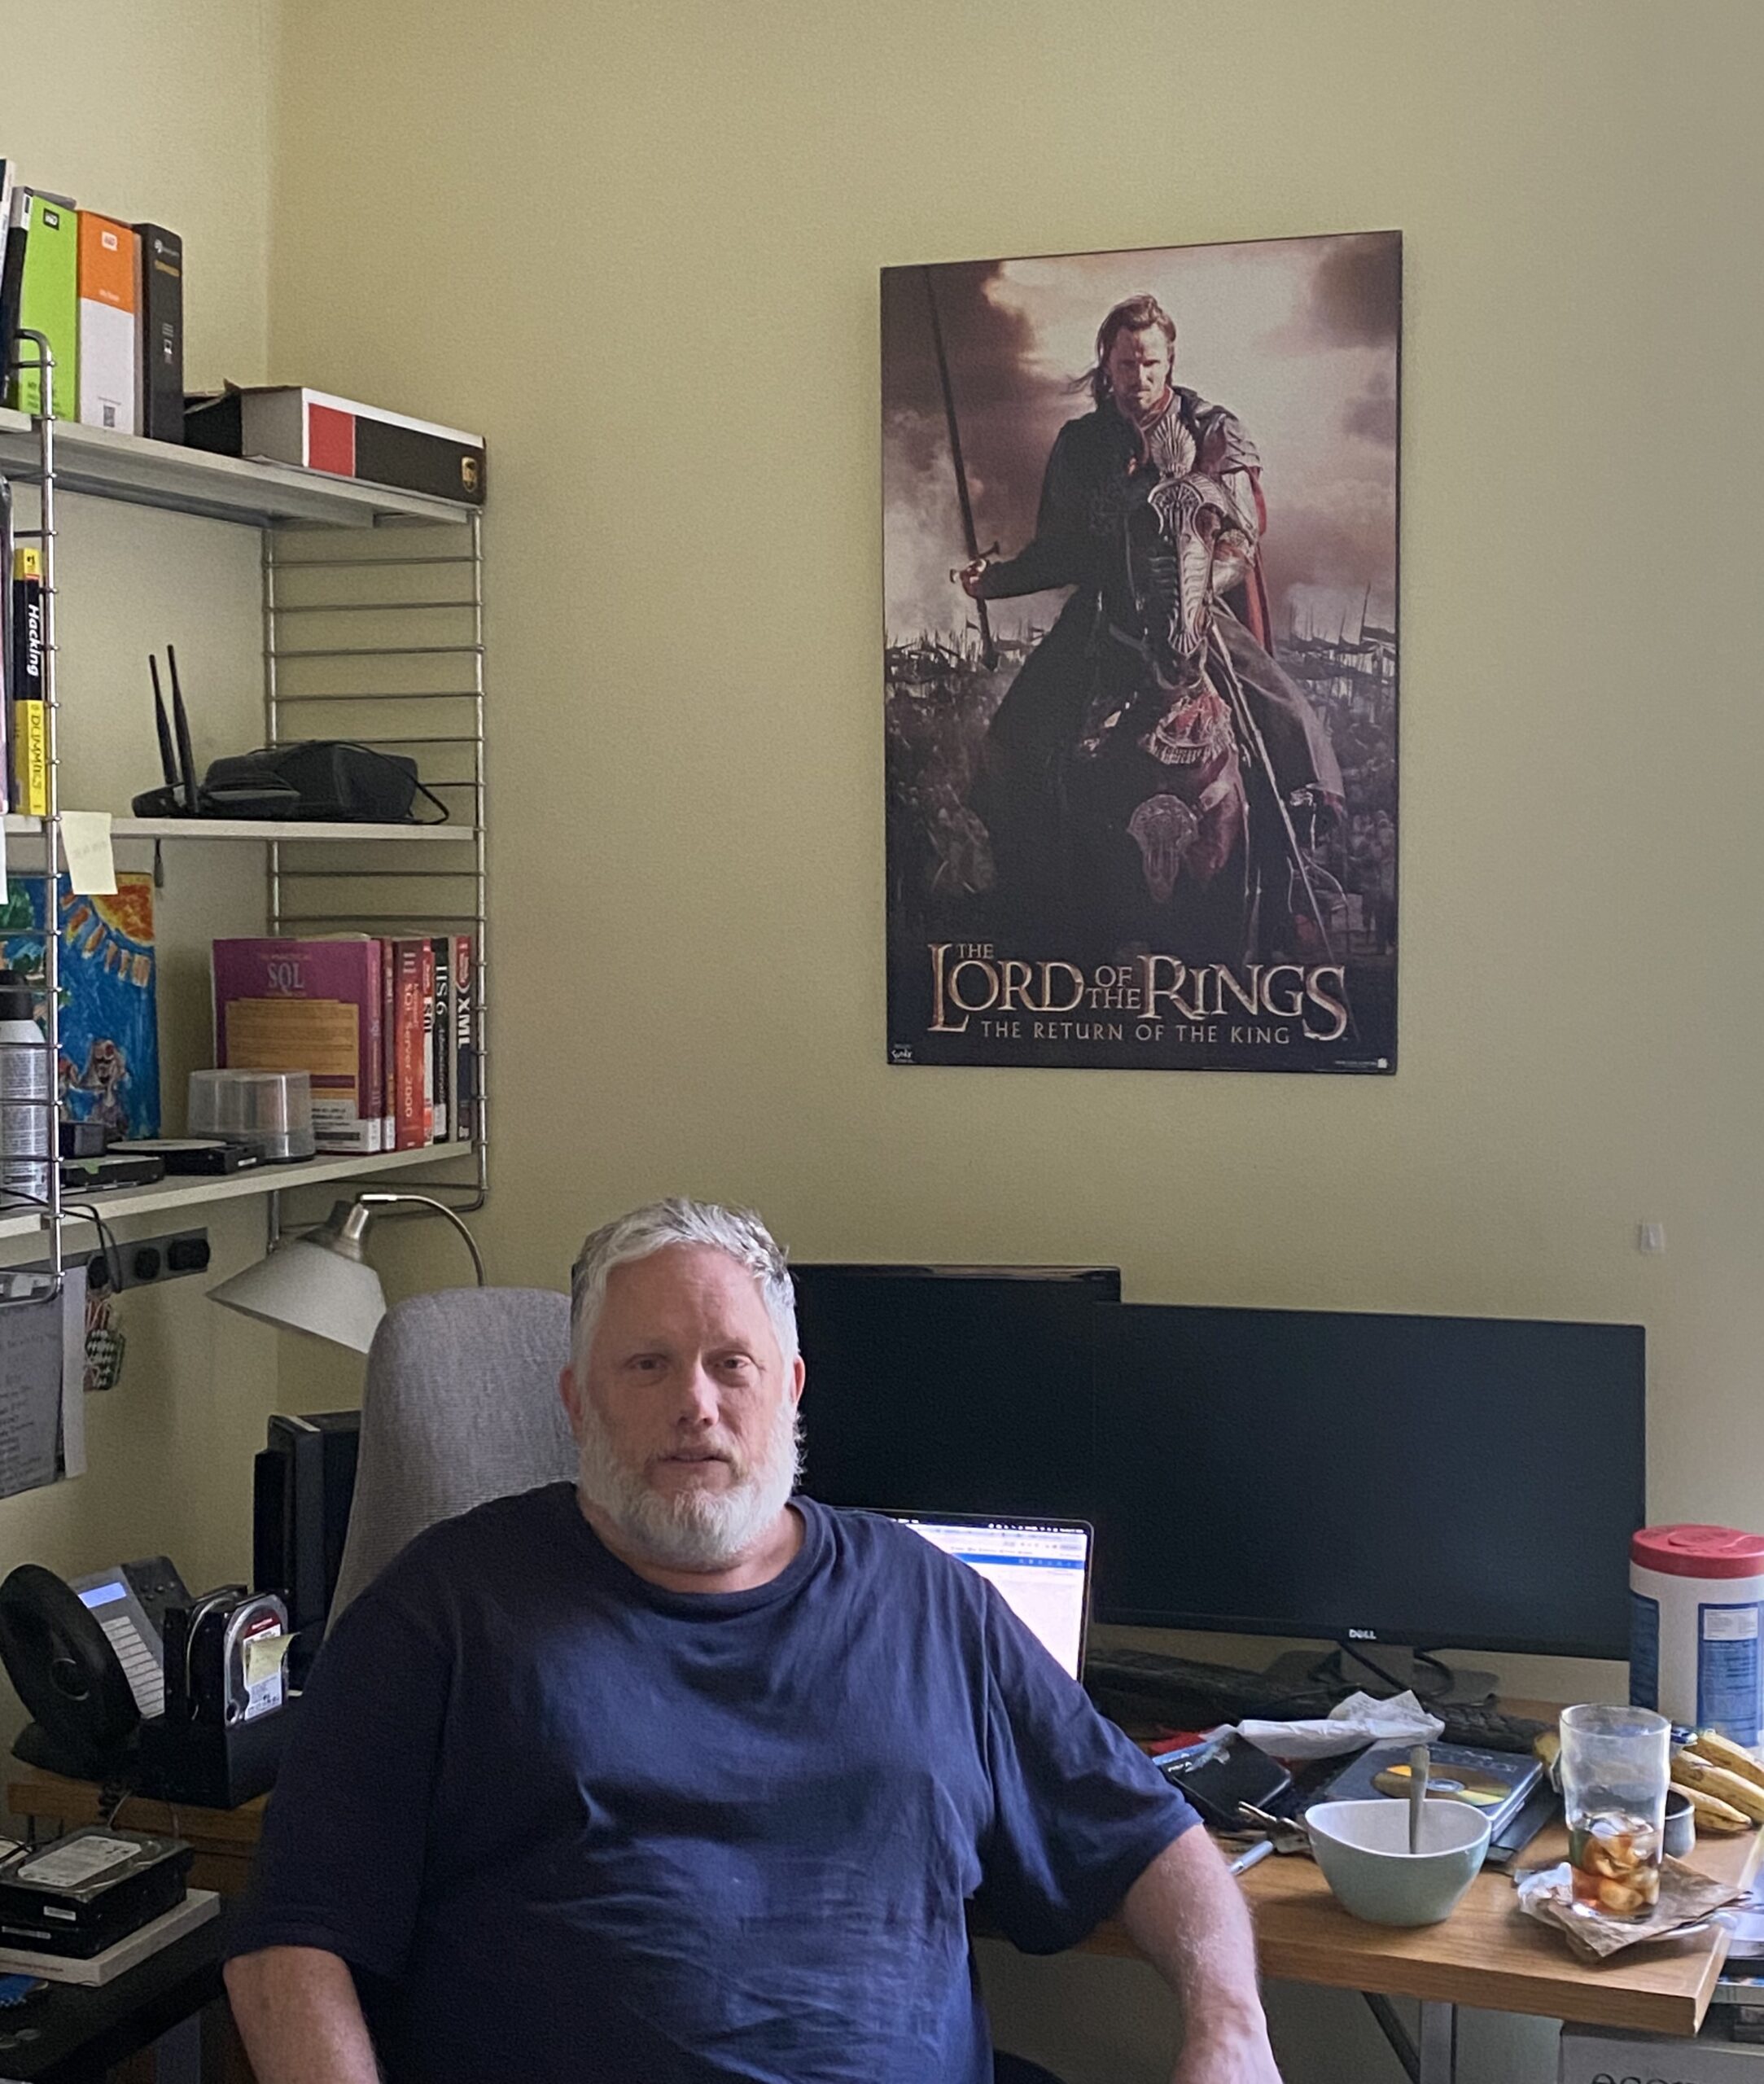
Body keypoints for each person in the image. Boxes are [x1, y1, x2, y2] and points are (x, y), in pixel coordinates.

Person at [224, 1197, 1281, 2084]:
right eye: (647, 1365)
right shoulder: (441, 1612)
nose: (696, 1404)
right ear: (575, 1402)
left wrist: (1228, 2031)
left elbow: (1152, 1840)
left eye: (731, 1364)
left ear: (789, 1391)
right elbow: (286, 1953)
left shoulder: (928, 1603)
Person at [959, 294, 1341, 962]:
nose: (1139, 378)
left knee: (1288, 712)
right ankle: (1022, 878)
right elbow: (1063, 549)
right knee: (1016, 734)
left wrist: (1190, 599)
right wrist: (994, 583)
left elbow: (1242, 539)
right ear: (1105, 365)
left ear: (1170, 361)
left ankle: (1300, 857)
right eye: (1126, 364)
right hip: (1107, 609)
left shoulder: (1214, 430)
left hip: (1198, 610)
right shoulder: (1080, 446)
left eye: (1151, 363)